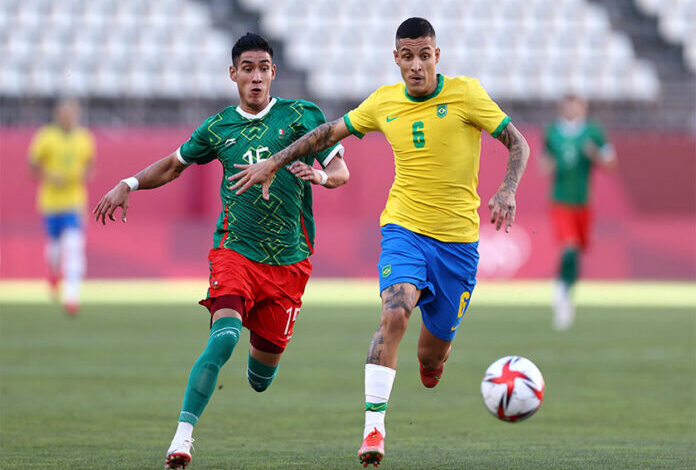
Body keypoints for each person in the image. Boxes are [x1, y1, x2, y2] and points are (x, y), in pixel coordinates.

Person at [230, 18, 530, 467]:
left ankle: (431, 363)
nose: (415, 65)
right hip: (403, 230)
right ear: (396, 59)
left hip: (458, 245)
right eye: (407, 57)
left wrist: (506, 189)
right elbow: (327, 133)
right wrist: (276, 159)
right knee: (395, 312)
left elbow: (518, 143)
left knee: (431, 358)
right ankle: (374, 428)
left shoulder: (466, 94)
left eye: (424, 56)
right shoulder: (383, 101)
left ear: (436, 56)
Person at [92, 33, 349, 470]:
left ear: (274, 72)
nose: (256, 76)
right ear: (233, 74)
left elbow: (341, 170)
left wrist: (321, 178)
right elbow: (174, 165)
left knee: (261, 380)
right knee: (224, 336)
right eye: (247, 68)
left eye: (263, 67)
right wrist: (128, 183)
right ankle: (183, 437)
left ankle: (260, 353)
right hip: (235, 253)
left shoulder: (304, 116)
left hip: (290, 263)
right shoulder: (217, 128)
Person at [542, 94, 616, 330]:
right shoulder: (553, 132)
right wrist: (552, 164)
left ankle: (566, 290)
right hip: (560, 200)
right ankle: (561, 295)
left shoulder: (593, 132)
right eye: (568, 104)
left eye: (576, 104)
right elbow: (544, 165)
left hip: (583, 202)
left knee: (578, 253)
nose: (572, 108)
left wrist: (593, 154)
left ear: (583, 107)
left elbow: (610, 162)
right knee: (569, 247)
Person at [28, 98, 96, 314]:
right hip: (51, 203)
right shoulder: (45, 136)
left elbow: (91, 167)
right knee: (55, 249)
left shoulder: (85, 138)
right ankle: (53, 270)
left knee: (74, 246)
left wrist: (81, 175)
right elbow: (32, 165)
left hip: (74, 202)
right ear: (57, 114)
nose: (68, 117)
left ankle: (72, 296)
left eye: (72, 113)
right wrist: (50, 176)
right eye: (64, 113)